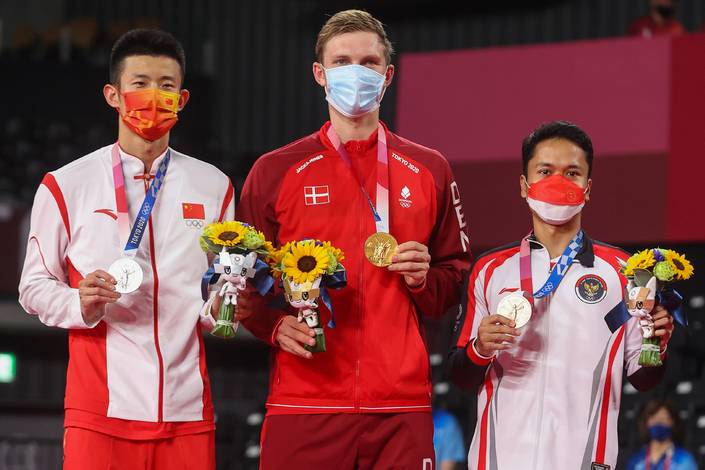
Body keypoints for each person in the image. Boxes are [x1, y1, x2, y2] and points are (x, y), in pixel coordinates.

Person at [237, 9, 470, 469]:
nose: (356, 73)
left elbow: (455, 281)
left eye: (368, 62)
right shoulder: (274, 171)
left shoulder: (431, 169)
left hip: (400, 405)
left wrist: (425, 280)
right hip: (305, 400)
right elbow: (243, 280)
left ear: (388, 75)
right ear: (320, 74)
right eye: (342, 62)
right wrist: (271, 325)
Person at [18, 29, 234, 470]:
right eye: (139, 83)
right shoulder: (67, 184)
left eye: (167, 85)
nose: (153, 95)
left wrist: (226, 307)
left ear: (184, 98)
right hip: (99, 412)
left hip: (187, 411)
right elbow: (34, 286)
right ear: (113, 95)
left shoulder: (214, 186)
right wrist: (79, 301)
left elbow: (224, 284)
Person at [449, 121, 675, 470]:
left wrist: (655, 345)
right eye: (545, 171)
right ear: (524, 186)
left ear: (588, 188)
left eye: (572, 172)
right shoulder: (490, 270)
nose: (559, 182)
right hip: (499, 458)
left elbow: (642, 378)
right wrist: (480, 349)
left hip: (585, 459)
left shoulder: (626, 271)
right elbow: (462, 375)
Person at [626, 398, 698, 470]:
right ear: (647, 422)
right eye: (654, 418)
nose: (659, 422)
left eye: (663, 418)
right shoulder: (636, 461)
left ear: (673, 422)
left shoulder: (685, 460)